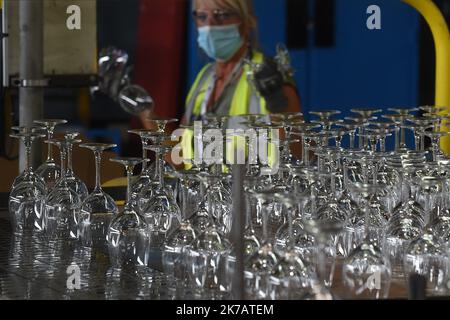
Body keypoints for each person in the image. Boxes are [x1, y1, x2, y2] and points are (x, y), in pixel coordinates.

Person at [182, 0, 301, 126]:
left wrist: (278, 105)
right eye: (202, 16)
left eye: (222, 15)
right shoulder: (203, 77)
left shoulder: (270, 76)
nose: (210, 25)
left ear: (247, 22)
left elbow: (295, 142)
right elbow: (181, 142)